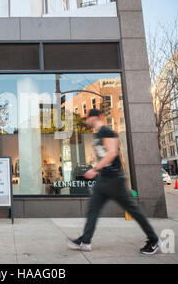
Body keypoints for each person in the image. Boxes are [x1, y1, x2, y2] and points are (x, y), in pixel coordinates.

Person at [66, 108, 162, 255]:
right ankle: (85, 241)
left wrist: (95, 169)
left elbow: (112, 153)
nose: (86, 120)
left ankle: (154, 239)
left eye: (88, 117)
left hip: (114, 180)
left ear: (96, 117)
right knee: (93, 209)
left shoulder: (106, 132)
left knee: (133, 210)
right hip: (104, 180)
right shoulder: (98, 135)